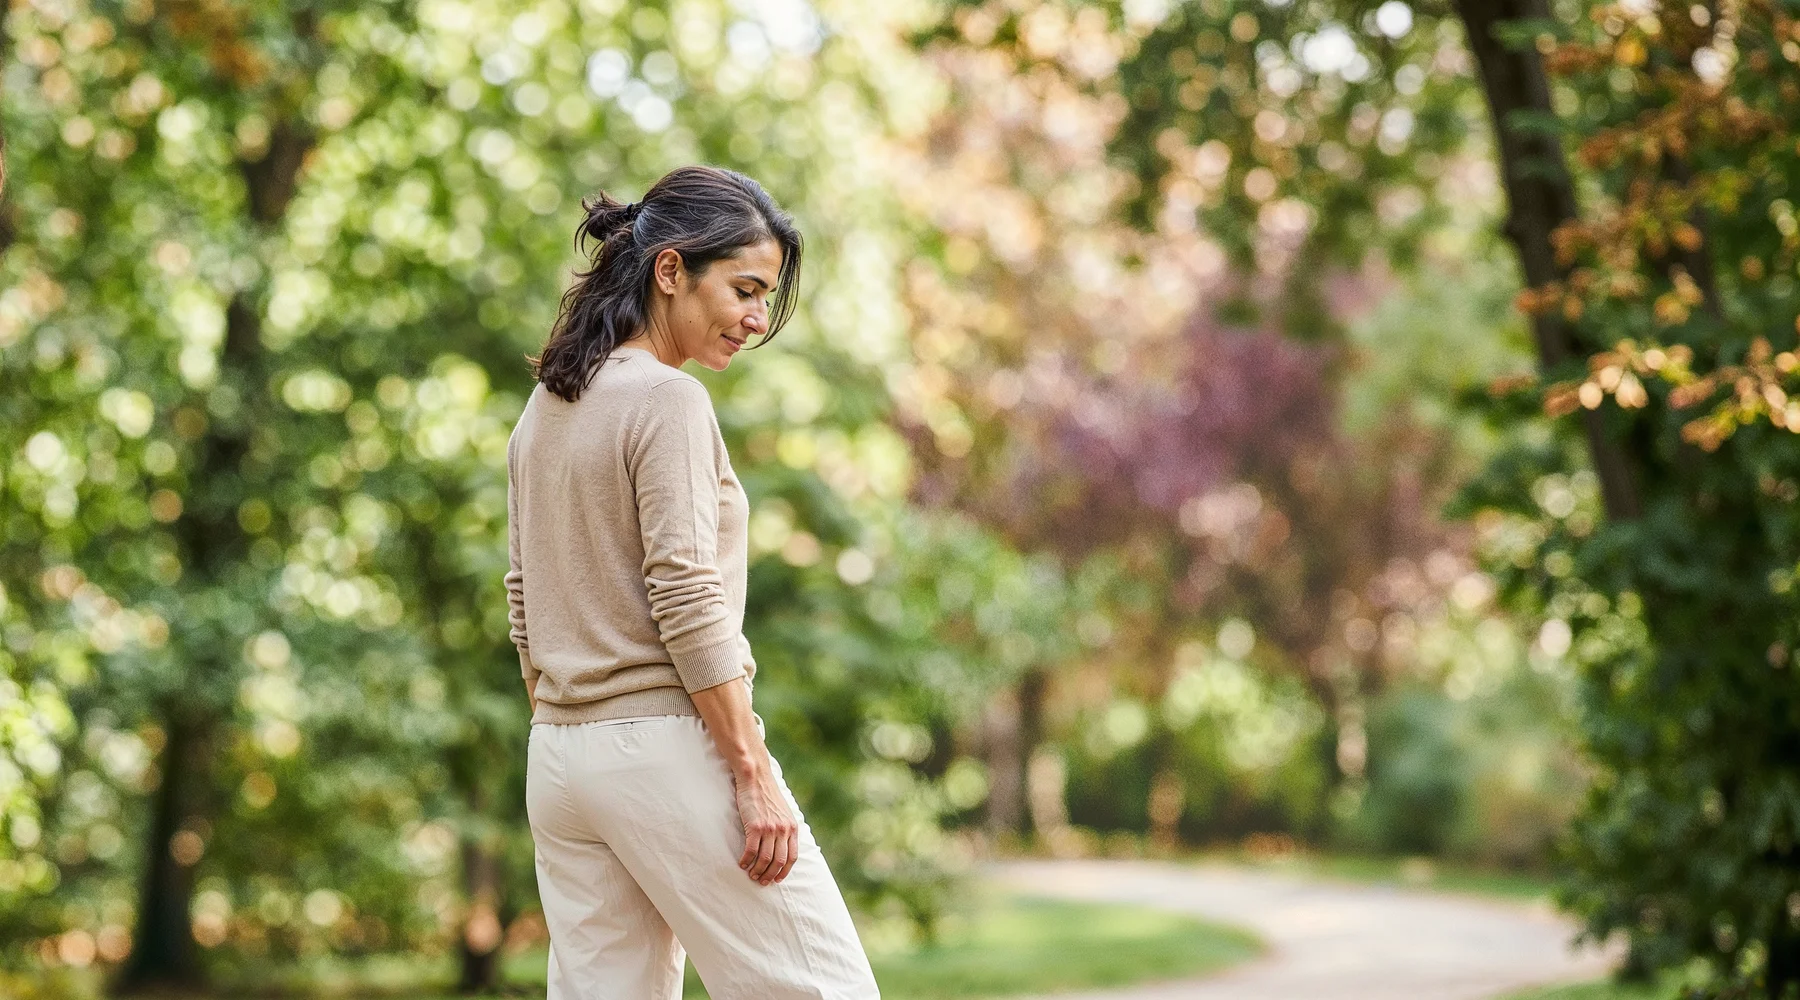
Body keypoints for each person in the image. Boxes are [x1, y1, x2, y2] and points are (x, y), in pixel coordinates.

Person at [504, 165, 880, 999]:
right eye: (745, 288)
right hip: (666, 746)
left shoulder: (546, 406)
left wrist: (570, 721)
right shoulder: (667, 400)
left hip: (561, 760)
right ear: (670, 271)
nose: (755, 317)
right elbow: (684, 592)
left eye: (765, 297)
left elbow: (522, 599)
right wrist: (749, 771)